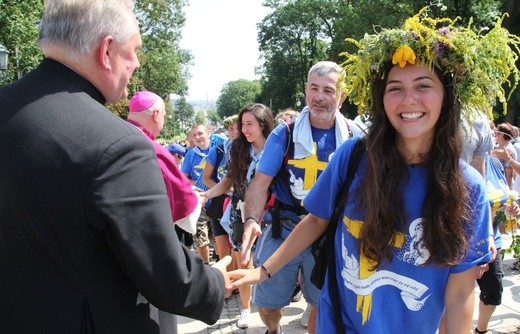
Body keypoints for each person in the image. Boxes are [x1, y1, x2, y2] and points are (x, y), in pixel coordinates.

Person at [229, 8, 520, 333]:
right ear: (381, 99)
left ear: (446, 96)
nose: (408, 100)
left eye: (423, 85)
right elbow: (316, 220)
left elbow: (460, 294)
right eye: (395, 88)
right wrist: (263, 271)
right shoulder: (352, 157)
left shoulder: (468, 187)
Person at [0, 1, 231, 333]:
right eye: (134, 50)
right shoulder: (118, 145)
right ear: (106, 50)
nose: (136, 62)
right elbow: (169, 278)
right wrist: (214, 281)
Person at [238, 61, 353, 334]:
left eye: (328, 90)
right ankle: (273, 329)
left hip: (328, 233)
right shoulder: (285, 133)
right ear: (305, 90)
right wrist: (252, 218)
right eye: (314, 88)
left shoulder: (353, 136)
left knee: (321, 304)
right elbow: (259, 183)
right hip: (283, 227)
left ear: (342, 96)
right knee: (267, 306)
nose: (319, 97)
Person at [202, 104, 275, 329]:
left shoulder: (277, 147)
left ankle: (271, 311)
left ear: (263, 124)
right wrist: (207, 194)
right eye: (242, 124)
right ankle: (245, 309)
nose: (244, 129)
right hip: (240, 212)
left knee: (270, 262)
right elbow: (228, 180)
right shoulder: (238, 148)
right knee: (243, 260)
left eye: (249, 124)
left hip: (272, 214)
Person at [202, 114, 239, 268]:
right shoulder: (218, 151)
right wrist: (222, 190)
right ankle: (226, 283)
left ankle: (237, 282)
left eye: (237, 128)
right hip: (219, 203)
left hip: (238, 203)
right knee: (223, 246)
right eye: (230, 128)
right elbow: (206, 178)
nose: (234, 131)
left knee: (238, 248)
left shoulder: (250, 149)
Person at [182, 123, 219, 264]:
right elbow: (184, 177)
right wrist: (197, 185)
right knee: (200, 235)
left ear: (208, 133)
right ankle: (206, 267)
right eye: (194, 135)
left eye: (200, 133)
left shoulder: (219, 150)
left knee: (218, 235)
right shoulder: (191, 154)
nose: (197, 137)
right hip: (200, 200)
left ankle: (220, 261)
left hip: (217, 198)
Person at [493, 122, 516, 188]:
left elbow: (509, 175)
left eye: (497, 132)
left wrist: (507, 192)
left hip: (503, 186)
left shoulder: (509, 150)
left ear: (502, 135)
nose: (495, 134)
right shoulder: (496, 146)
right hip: (495, 184)